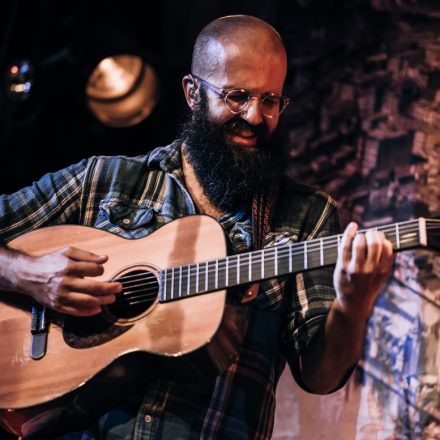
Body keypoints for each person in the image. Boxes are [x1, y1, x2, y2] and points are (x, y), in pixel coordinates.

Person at [0, 15, 394, 440]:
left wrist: (354, 306)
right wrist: (29, 274)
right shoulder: (104, 180)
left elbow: (319, 376)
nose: (256, 116)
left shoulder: (306, 216)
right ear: (192, 93)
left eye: (271, 100)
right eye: (237, 96)